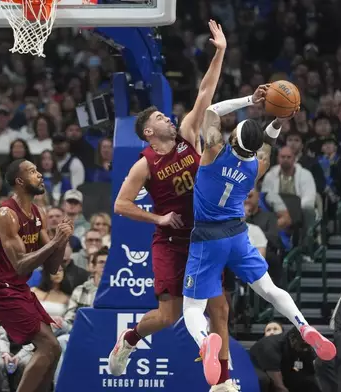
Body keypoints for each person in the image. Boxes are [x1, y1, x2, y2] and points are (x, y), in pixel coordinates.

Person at [181, 88, 336, 390]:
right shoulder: (257, 166)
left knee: (192, 308)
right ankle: (303, 325)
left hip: (207, 236)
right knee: (268, 288)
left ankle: (205, 342)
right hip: (238, 234)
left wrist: (250, 101)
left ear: (233, 138)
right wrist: (279, 118)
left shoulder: (213, 151)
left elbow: (212, 110)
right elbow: (268, 140)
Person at [108, 20, 230, 384]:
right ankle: (128, 339)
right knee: (167, 317)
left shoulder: (188, 134)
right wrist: (159, 218)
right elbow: (121, 205)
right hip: (171, 243)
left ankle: (223, 381)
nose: (168, 117)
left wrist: (220, 51)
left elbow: (206, 92)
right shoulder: (143, 164)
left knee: (221, 308)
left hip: (204, 237)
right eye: (161, 117)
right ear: (149, 131)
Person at [0, 158, 73, 392]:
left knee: (54, 349)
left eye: (38, 169)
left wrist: (62, 242)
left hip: (16, 286)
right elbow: (20, 264)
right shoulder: (6, 214)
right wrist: (56, 242)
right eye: (32, 171)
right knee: (48, 345)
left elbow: (52, 267)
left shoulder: (38, 212)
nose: (39, 174)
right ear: (20, 181)